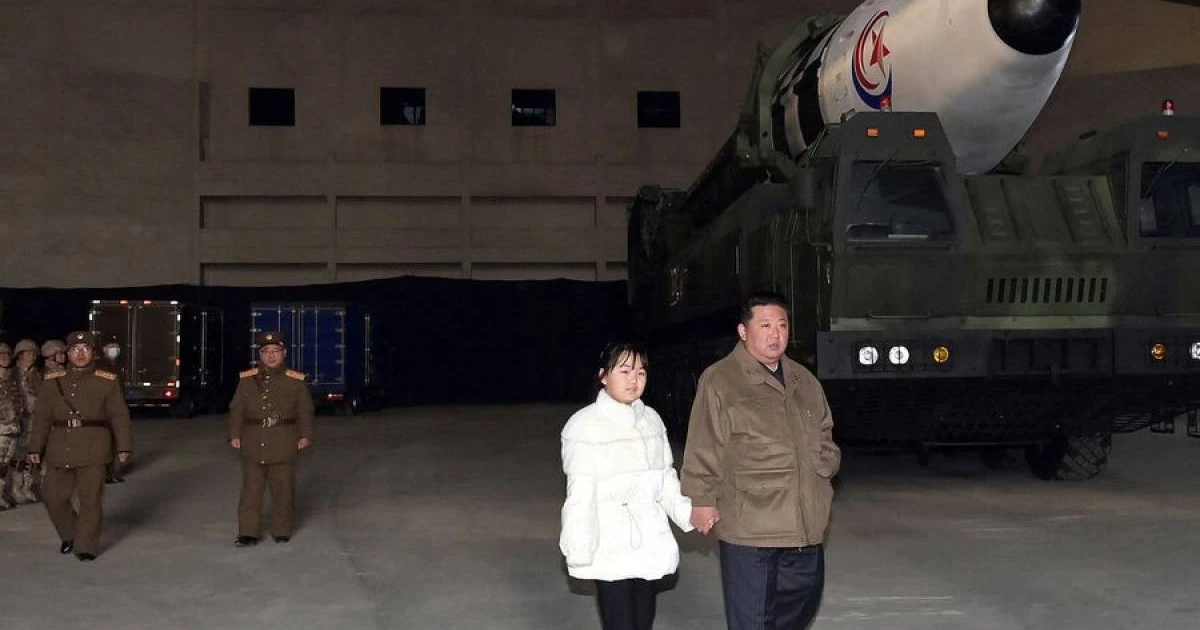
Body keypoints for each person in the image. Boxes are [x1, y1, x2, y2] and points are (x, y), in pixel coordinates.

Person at [680, 291, 841, 630]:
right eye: (765, 326)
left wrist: (825, 463)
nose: (775, 334)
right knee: (752, 618)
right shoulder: (721, 380)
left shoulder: (804, 379)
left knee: (802, 604)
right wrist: (702, 499)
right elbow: (704, 442)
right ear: (743, 331)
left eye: (782, 325)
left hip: (805, 522)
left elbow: (825, 430)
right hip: (751, 525)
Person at [560, 342, 694, 630]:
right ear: (603, 376)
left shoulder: (652, 420)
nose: (634, 380)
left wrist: (689, 513)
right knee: (620, 622)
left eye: (641, 372)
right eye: (625, 371)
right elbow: (579, 496)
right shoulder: (584, 426)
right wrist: (579, 548)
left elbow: (665, 479)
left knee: (643, 621)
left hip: (649, 537)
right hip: (610, 541)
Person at [26, 331, 133, 561]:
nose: (80, 354)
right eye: (75, 349)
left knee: (90, 500)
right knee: (53, 496)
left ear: (93, 353)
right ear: (67, 353)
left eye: (85, 349)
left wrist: (124, 446)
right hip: (60, 446)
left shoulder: (107, 381)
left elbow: (119, 415)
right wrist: (35, 447)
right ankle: (70, 534)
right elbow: (42, 416)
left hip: (94, 447)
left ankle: (86, 546)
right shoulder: (53, 381)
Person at [227, 331, 314, 547]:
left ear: (284, 353)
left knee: (283, 489)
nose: (271, 355)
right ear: (260, 354)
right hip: (253, 441)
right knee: (251, 491)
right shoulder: (247, 380)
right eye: (266, 351)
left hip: (283, 440)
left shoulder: (295, 381)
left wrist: (305, 435)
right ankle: (248, 533)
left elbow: (305, 410)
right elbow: (237, 409)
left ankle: (281, 530)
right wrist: (234, 435)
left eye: (275, 351)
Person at [12, 339, 42, 503]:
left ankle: (27, 487)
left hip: (35, 419)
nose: (31, 356)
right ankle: (16, 488)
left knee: (33, 454)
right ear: (20, 355)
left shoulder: (36, 374)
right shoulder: (13, 374)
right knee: (18, 455)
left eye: (33, 354)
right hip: (18, 419)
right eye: (28, 353)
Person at [95, 335, 127, 484]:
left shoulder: (116, 365)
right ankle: (105, 473)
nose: (115, 349)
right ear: (104, 349)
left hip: (116, 407)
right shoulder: (101, 366)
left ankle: (113, 471)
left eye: (116, 346)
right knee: (105, 442)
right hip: (105, 409)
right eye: (111, 346)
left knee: (115, 441)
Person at [0, 344, 23, 510]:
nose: (5, 358)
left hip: (13, 427)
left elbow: (19, 401)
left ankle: (1, 494)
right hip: (1, 428)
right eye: (1, 355)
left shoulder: (12, 379)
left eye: (7, 355)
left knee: (5, 464)